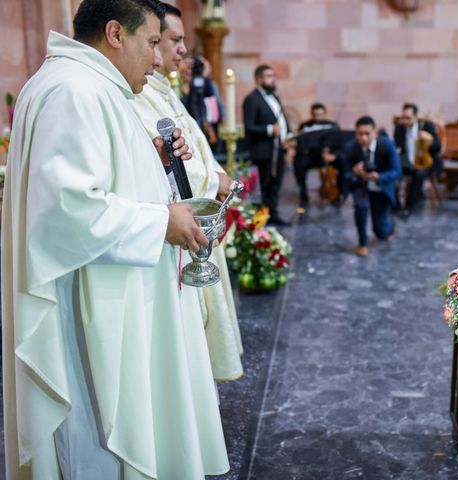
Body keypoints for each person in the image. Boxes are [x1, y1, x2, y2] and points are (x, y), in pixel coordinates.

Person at [1, 1, 230, 478]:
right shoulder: (76, 91)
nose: (157, 59)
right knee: (100, 441)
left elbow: (101, 178)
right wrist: (160, 223)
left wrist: (153, 163)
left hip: (113, 292)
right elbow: (65, 209)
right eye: (151, 42)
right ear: (114, 34)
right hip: (92, 312)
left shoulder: (89, 86)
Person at [130, 3, 244, 382]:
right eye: (174, 40)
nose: (182, 50)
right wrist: (214, 181)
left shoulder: (161, 89)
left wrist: (214, 174)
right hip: (177, 232)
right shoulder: (138, 94)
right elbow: (167, 160)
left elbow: (189, 148)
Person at [342, 115, 402, 257]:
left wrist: (379, 176)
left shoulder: (387, 144)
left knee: (381, 232)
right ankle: (362, 243)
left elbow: (397, 171)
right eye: (360, 134)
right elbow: (344, 174)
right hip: (360, 186)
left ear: (375, 132)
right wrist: (354, 172)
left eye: (367, 134)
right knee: (360, 208)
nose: (363, 138)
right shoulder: (350, 148)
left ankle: (389, 226)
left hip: (381, 188)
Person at [242, 64, 290, 226]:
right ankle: (262, 217)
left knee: (276, 184)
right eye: (269, 76)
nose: (273, 79)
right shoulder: (252, 99)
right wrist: (270, 130)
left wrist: (288, 135)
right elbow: (249, 126)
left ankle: (273, 213)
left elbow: (281, 121)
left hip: (279, 149)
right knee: (265, 184)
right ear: (259, 79)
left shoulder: (274, 97)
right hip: (263, 151)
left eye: (273, 76)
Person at [393, 102, 441, 215]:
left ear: (415, 117)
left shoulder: (426, 126)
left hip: (425, 162)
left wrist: (429, 140)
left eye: (408, 118)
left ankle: (410, 206)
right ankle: (397, 206)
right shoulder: (400, 128)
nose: (405, 121)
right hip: (407, 162)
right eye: (403, 118)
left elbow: (437, 147)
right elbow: (396, 147)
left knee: (418, 174)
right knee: (393, 173)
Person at [293, 102, 341, 208]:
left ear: (325, 114)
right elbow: (300, 144)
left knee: (342, 160)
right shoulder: (305, 126)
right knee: (299, 162)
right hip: (311, 156)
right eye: (315, 115)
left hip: (327, 155)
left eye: (320, 114)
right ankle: (303, 193)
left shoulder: (333, 125)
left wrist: (331, 153)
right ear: (311, 114)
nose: (317, 117)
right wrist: (303, 149)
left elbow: (339, 143)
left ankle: (338, 193)